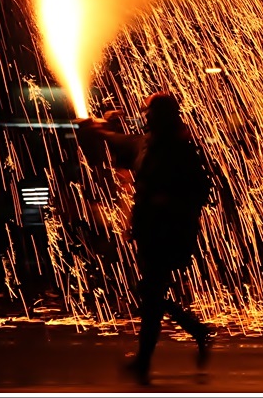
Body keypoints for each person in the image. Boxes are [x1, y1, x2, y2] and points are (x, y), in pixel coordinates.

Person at [78, 92, 214, 385]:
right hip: (150, 231)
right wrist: (100, 127)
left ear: (164, 115)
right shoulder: (146, 143)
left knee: (151, 294)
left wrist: (169, 202)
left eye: (150, 111)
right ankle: (197, 332)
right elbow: (119, 143)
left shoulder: (182, 149)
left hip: (171, 232)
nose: (146, 115)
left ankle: (145, 361)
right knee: (151, 294)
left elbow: (202, 189)